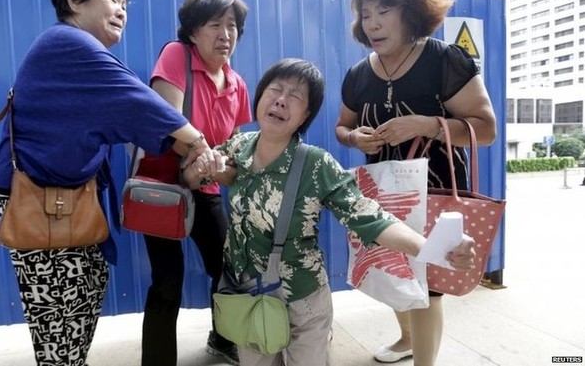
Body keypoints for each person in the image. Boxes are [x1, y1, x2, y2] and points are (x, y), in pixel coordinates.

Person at [184, 58, 477, 366]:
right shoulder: (237, 148)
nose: (282, 100)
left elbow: (368, 215)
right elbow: (190, 178)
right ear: (259, 97)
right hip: (247, 294)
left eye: (295, 96)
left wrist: (430, 247)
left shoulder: (316, 165)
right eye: (275, 89)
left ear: (304, 116)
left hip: (301, 300)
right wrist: (200, 170)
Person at [0, 0, 218, 365]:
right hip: (40, 200)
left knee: (84, 297)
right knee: (59, 322)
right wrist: (198, 144)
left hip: (72, 198)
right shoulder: (67, 43)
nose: (122, 11)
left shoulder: (82, 52)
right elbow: (137, 101)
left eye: (126, 5)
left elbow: (127, 110)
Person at [334, 0, 497, 365]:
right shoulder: (358, 75)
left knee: (428, 283)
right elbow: (342, 127)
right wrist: (356, 138)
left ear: (412, 12)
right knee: (393, 271)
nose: (372, 23)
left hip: (436, 192)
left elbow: (486, 129)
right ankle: (406, 338)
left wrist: (427, 125)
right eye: (365, 14)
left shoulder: (444, 60)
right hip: (382, 193)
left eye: (383, 12)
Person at [136, 0, 251, 366]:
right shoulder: (176, 55)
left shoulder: (237, 84)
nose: (225, 34)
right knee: (168, 281)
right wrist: (202, 154)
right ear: (193, 30)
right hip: (163, 185)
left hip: (205, 185)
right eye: (214, 24)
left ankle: (223, 339)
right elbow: (167, 124)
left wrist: (223, 164)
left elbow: (232, 143)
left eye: (232, 25)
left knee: (226, 266)